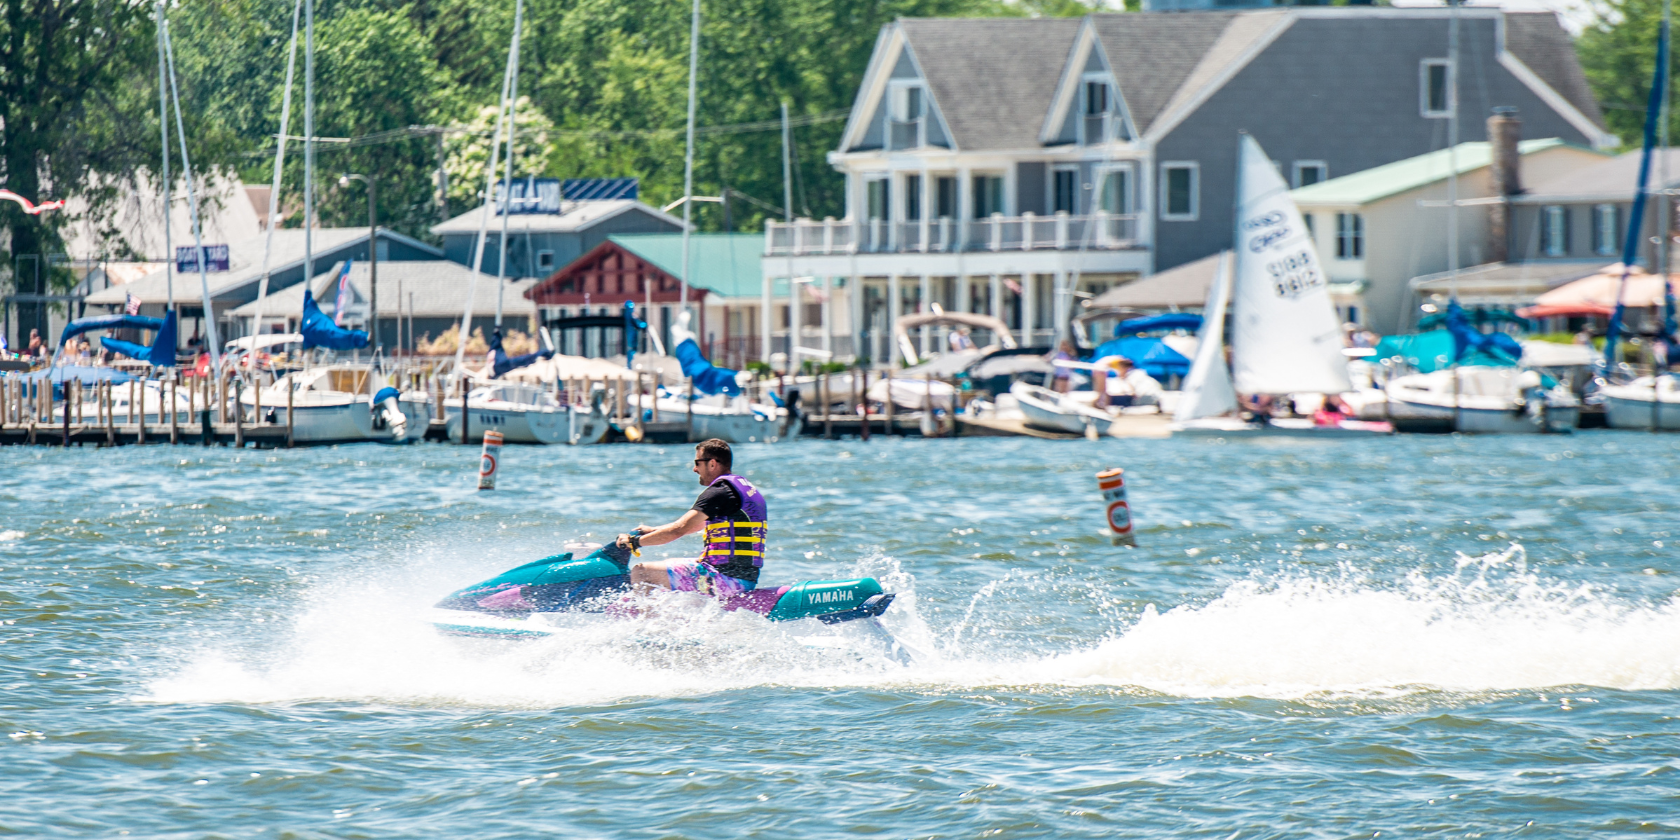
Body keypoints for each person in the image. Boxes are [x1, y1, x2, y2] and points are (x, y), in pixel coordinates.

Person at [615, 438, 766, 598]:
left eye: (697, 463)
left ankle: (644, 621)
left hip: (725, 580)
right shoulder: (743, 488)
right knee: (670, 568)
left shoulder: (719, 492)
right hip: (745, 579)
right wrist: (653, 530)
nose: (694, 469)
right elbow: (695, 524)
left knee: (641, 572)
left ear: (712, 464)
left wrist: (633, 543)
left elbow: (678, 530)